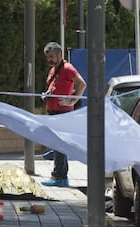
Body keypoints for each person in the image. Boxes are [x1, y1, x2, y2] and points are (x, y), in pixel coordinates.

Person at [41, 42, 86, 187]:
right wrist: (47, 94)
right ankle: (58, 175)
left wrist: (72, 99)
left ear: (60, 55)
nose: (49, 59)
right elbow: (54, 86)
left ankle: (60, 177)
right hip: (53, 111)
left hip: (63, 112)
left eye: (52, 56)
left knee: (60, 145)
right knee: (57, 145)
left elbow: (82, 84)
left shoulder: (67, 68)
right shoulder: (54, 69)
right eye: (48, 57)